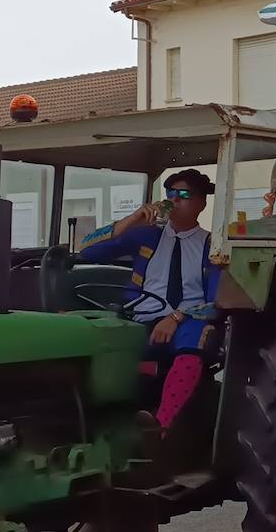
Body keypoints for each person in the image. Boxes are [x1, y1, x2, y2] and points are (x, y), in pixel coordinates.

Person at [79, 169, 221, 434]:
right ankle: (97, 425)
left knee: (195, 340)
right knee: (102, 343)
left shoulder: (212, 246)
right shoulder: (147, 235)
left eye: (184, 195)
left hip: (189, 319)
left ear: (201, 203)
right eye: (170, 194)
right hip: (140, 317)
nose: (175, 200)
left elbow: (217, 301)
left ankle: (161, 423)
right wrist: (132, 219)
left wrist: (175, 317)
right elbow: (87, 249)